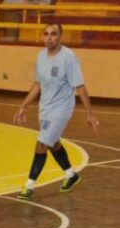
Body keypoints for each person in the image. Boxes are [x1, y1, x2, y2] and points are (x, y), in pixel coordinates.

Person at [13, 22, 99, 199]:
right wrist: (23, 106)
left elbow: (80, 87)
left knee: (42, 143)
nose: (49, 38)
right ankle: (71, 174)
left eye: (53, 34)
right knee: (52, 142)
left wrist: (90, 113)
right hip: (45, 106)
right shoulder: (41, 56)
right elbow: (37, 84)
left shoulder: (69, 58)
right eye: (46, 34)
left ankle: (28, 186)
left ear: (61, 36)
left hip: (62, 109)